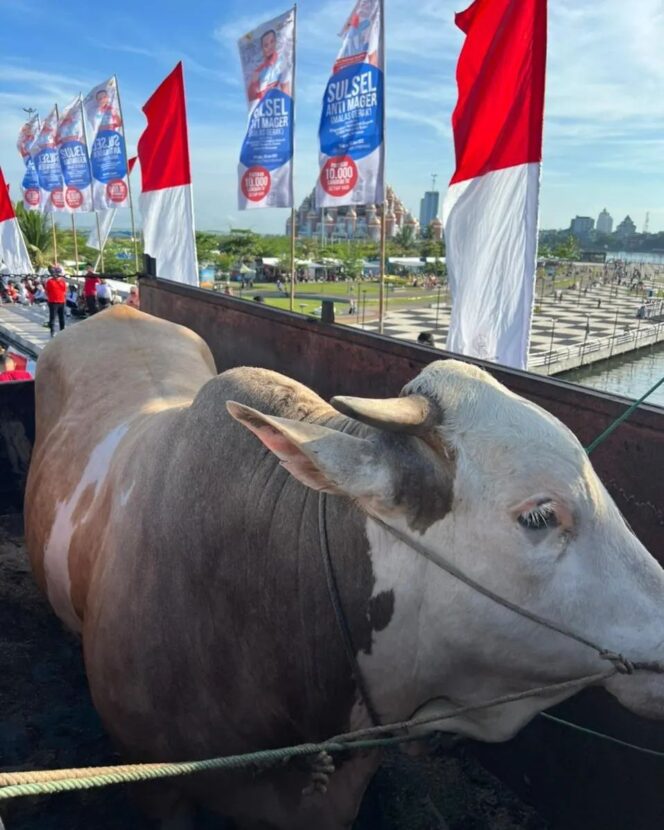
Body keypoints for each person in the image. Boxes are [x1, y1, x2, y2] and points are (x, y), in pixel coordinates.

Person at [247, 28, 291, 101]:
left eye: (272, 41)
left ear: (276, 42)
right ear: (262, 49)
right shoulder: (258, 71)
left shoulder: (283, 64)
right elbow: (252, 100)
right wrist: (254, 83)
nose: (270, 46)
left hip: (280, 107)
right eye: (266, 45)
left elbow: (285, 91)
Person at [45, 266, 67, 336]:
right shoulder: (50, 281)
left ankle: (62, 331)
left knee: (62, 318)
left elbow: (64, 290)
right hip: (53, 302)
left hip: (61, 301)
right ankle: (52, 331)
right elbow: (47, 291)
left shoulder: (62, 282)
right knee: (53, 317)